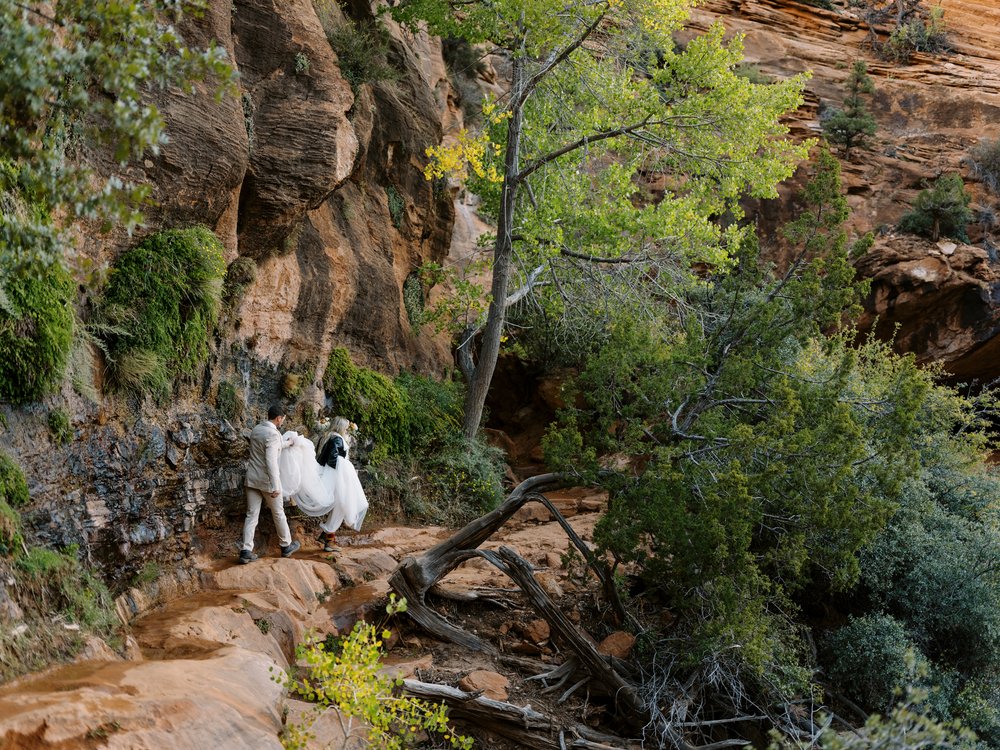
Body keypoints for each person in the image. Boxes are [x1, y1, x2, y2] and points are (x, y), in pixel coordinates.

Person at [278, 416, 368, 552]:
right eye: (345, 427)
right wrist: (346, 468)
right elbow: (333, 458)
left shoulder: (330, 437)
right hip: (336, 478)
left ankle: (327, 536)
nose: (346, 430)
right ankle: (328, 538)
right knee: (341, 505)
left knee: (341, 505)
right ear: (341, 427)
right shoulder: (337, 439)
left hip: (334, 476)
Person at [240, 403, 301, 564]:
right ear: (278, 418)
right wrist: (276, 485)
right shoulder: (273, 435)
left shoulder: (257, 430)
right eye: (282, 420)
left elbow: (271, 447)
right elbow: (271, 460)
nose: (282, 422)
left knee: (251, 515)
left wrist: (287, 443)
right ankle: (286, 546)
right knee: (278, 513)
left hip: (252, 480)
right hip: (267, 483)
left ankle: (246, 550)